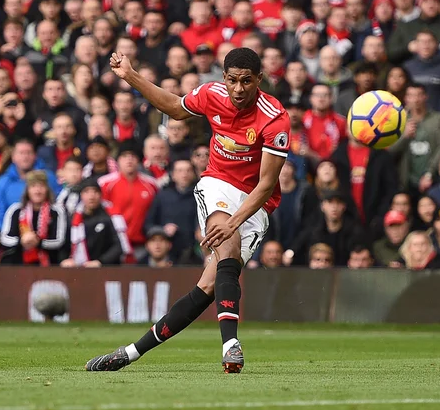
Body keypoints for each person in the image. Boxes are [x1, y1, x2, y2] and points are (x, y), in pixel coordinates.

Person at [85, 47, 290, 374]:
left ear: (259, 80)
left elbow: (266, 184)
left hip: (256, 202)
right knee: (228, 244)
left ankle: (130, 353)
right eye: (233, 80)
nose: (238, 89)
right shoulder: (212, 94)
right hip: (217, 183)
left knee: (208, 288)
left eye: (246, 82)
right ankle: (230, 346)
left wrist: (237, 221)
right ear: (224, 78)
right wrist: (131, 75)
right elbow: (174, 108)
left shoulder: (275, 118)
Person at [0, 170, 67, 266]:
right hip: (18, 262)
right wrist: (21, 241)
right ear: (27, 190)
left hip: (48, 264)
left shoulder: (56, 211)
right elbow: (4, 238)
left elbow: (59, 240)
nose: (37, 191)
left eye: (41, 186)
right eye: (33, 186)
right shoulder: (15, 210)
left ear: (47, 189)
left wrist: (37, 242)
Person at [60, 177, 125, 268]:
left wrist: (100, 262)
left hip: (107, 269)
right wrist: (67, 260)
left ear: (100, 194)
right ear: (81, 195)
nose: (91, 196)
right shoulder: (74, 219)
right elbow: (65, 245)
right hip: (80, 269)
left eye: (95, 191)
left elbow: (118, 247)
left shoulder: (111, 217)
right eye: (87, 192)